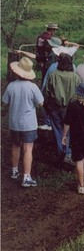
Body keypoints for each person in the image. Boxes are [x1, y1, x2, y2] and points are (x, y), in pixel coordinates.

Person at [2, 57, 44, 187]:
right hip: (29, 124)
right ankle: (26, 177)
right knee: (28, 149)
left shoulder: (11, 86)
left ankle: (14, 171)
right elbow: (41, 103)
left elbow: (5, 102)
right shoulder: (33, 87)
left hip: (14, 122)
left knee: (15, 146)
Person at [45, 53, 81, 165]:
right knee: (68, 130)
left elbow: (47, 91)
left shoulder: (53, 75)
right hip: (70, 107)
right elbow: (78, 93)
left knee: (57, 129)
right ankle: (67, 153)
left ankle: (62, 152)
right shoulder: (75, 77)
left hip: (55, 106)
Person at [62, 83, 84, 194]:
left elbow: (67, 122)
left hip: (76, 137)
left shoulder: (72, 105)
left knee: (79, 160)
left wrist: (64, 135)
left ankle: (81, 186)